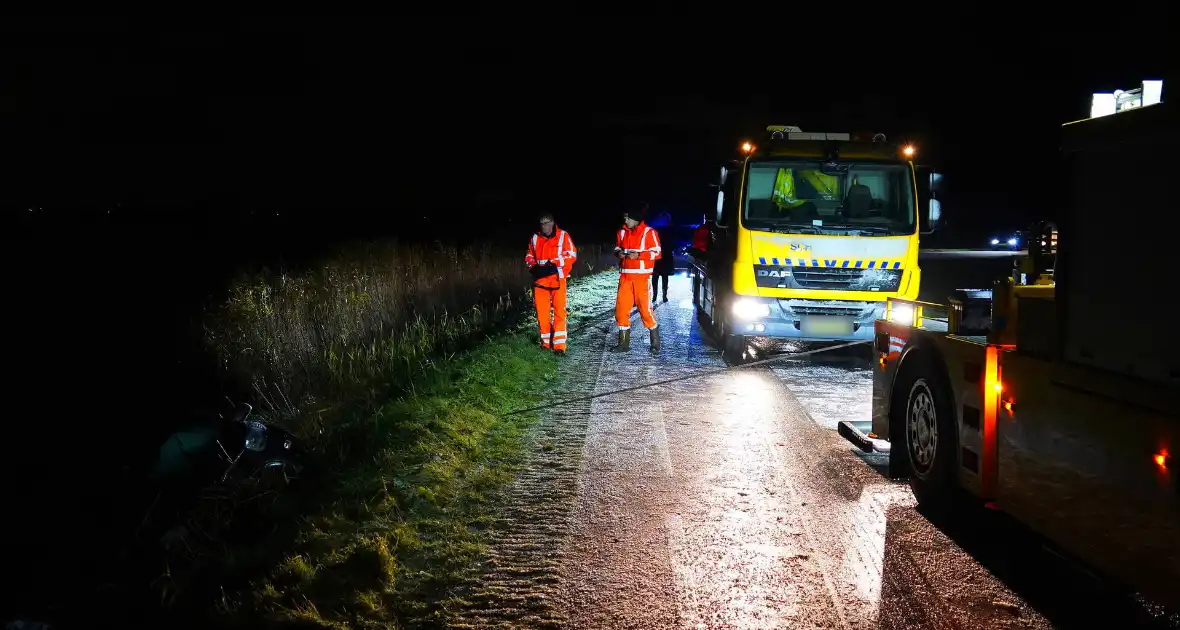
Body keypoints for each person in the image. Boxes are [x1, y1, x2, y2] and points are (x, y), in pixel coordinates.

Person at [612, 203, 661, 354]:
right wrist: (618, 253)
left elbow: (657, 253)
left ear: (635, 219)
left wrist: (639, 256)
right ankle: (623, 344)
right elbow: (617, 247)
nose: (625, 221)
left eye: (627, 218)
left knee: (645, 311)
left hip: (641, 279)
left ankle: (655, 342)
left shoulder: (649, 233)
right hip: (625, 278)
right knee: (621, 311)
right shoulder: (621, 232)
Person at [525, 212, 577, 354]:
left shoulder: (563, 235)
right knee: (542, 312)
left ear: (553, 222)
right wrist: (533, 268)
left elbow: (572, 255)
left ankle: (560, 346)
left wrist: (554, 264)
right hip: (540, 279)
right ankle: (545, 344)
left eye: (547, 222)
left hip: (558, 278)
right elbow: (529, 256)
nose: (545, 226)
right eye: (542, 223)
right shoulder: (534, 238)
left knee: (560, 311)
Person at [651, 225, 674, 304]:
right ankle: (664, 296)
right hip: (663, 264)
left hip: (657, 263)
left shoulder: (655, 242)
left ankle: (655, 296)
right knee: (664, 281)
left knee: (655, 281)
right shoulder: (668, 242)